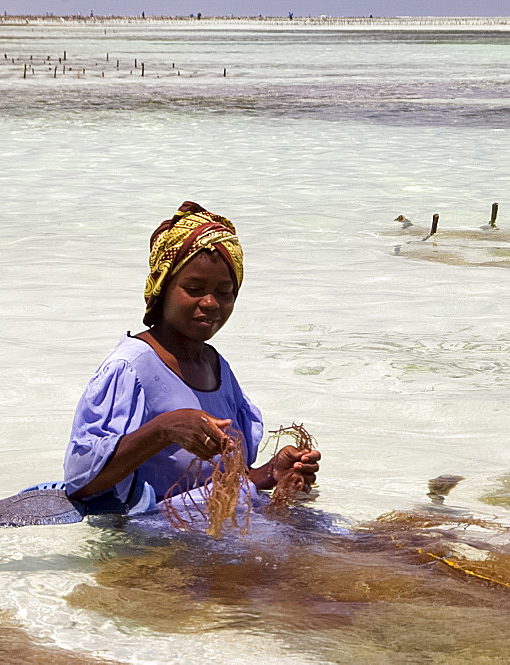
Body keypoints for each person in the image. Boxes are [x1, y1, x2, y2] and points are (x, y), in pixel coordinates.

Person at [63, 202, 321, 513]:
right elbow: (81, 482)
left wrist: (270, 474)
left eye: (225, 292)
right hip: (160, 541)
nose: (211, 303)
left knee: (391, 539)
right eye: (194, 288)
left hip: (213, 529)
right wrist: (164, 429)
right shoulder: (130, 367)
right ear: (162, 287)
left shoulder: (216, 367)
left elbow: (215, 484)